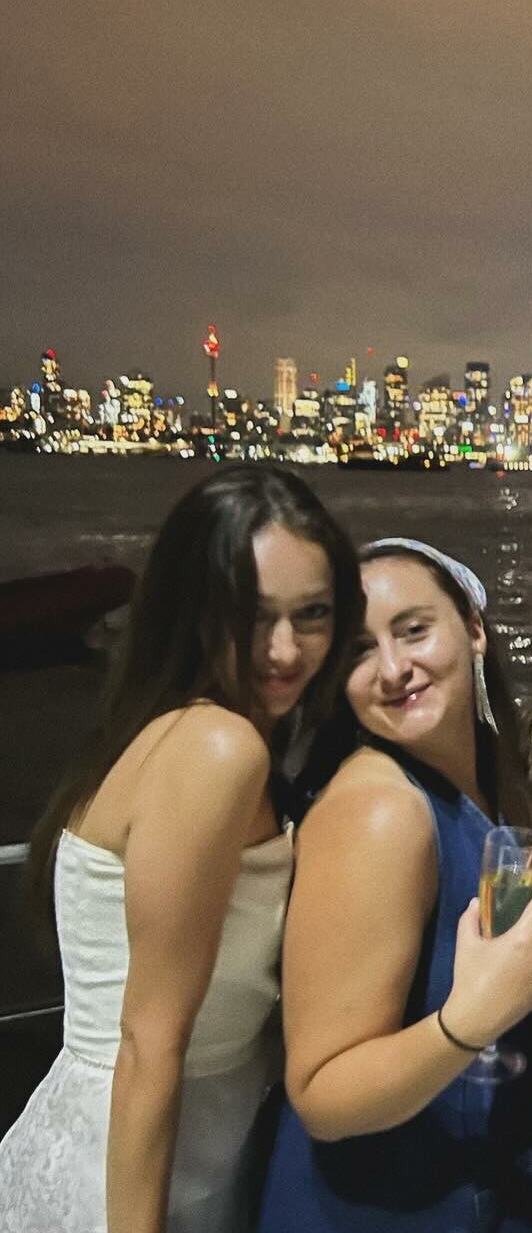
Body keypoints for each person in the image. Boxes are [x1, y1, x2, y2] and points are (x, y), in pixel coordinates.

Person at [0, 463, 360, 1233]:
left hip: (139, 1136)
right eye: (253, 617)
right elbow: (149, 1040)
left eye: (313, 614)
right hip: (146, 1168)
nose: (286, 649)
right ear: (194, 610)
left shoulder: (169, 728)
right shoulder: (218, 749)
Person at [258, 537, 532, 1232]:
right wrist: (467, 1024)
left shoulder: (501, 780)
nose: (393, 668)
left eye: (413, 631)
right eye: (359, 651)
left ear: (473, 630)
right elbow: (321, 1092)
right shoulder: (381, 812)